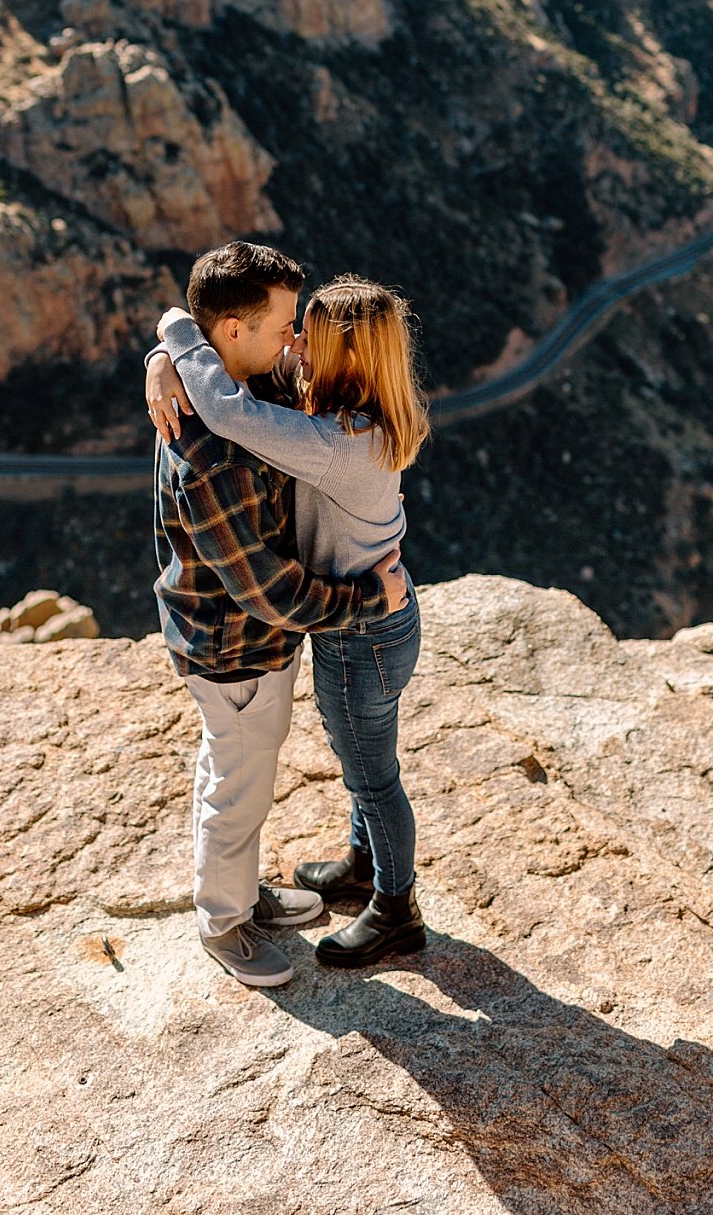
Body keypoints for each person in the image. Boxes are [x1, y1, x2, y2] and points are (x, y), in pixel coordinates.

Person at [147, 270, 431, 968]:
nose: (295, 342)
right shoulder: (330, 408)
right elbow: (230, 371)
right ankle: (342, 875)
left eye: (310, 336)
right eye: (289, 327)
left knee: (369, 773)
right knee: (348, 761)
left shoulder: (331, 438)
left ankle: (394, 907)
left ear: (347, 358)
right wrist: (160, 356)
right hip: (350, 621)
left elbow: (228, 407)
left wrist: (174, 332)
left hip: (364, 625)